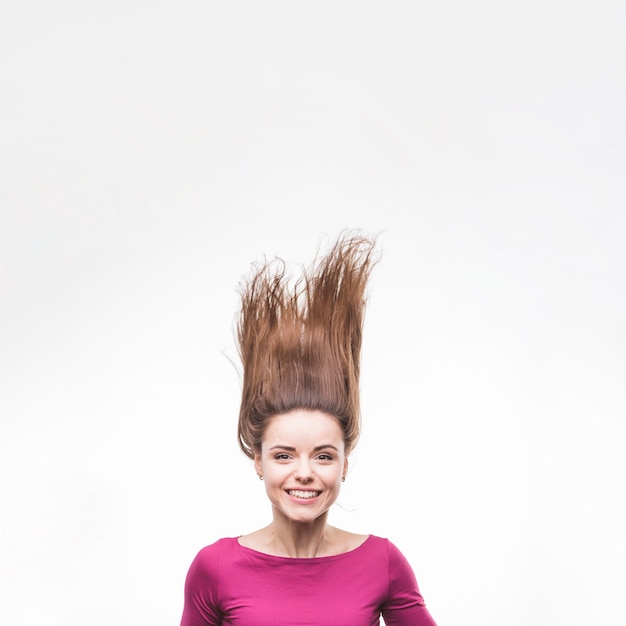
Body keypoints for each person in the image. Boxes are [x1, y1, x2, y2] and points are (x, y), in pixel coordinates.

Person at [180, 232, 437, 626]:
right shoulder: (214, 568)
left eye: (323, 455)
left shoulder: (382, 562)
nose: (304, 472)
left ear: (344, 465)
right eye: (283, 455)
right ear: (259, 462)